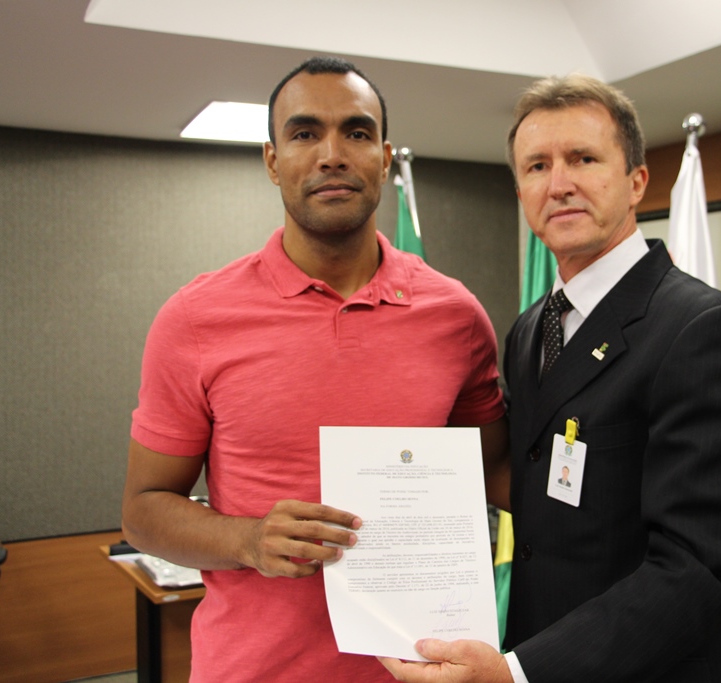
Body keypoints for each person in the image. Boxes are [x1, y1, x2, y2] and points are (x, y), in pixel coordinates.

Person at [380, 75, 721, 683]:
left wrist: (518, 673)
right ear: (521, 191)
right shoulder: (530, 331)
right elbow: (541, 495)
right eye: (537, 166)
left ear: (636, 181)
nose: (559, 183)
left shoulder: (707, 331)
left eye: (583, 159)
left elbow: (699, 569)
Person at [122, 56, 508, 683]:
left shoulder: (455, 316)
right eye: (305, 133)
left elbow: (491, 472)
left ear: (384, 158)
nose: (332, 155)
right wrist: (248, 540)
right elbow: (143, 510)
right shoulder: (194, 318)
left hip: (424, 671)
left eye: (356, 133)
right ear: (273, 161)